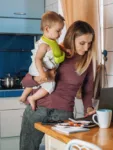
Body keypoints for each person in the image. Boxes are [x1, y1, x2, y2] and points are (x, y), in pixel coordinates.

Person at [20, 20, 96, 150]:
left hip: (63, 115)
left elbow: (87, 90)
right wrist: (42, 77)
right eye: (82, 43)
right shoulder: (55, 52)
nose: (86, 48)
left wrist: (88, 108)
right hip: (36, 110)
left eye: (89, 43)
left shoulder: (87, 62)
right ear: (72, 39)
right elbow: (25, 81)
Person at [19, 11, 65, 111]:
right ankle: (32, 98)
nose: (61, 33)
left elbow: (56, 51)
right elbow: (38, 59)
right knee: (50, 85)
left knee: (38, 83)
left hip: (39, 69)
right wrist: (42, 73)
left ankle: (23, 96)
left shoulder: (52, 42)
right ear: (47, 29)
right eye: (58, 30)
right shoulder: (44, 45)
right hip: (39, 67)